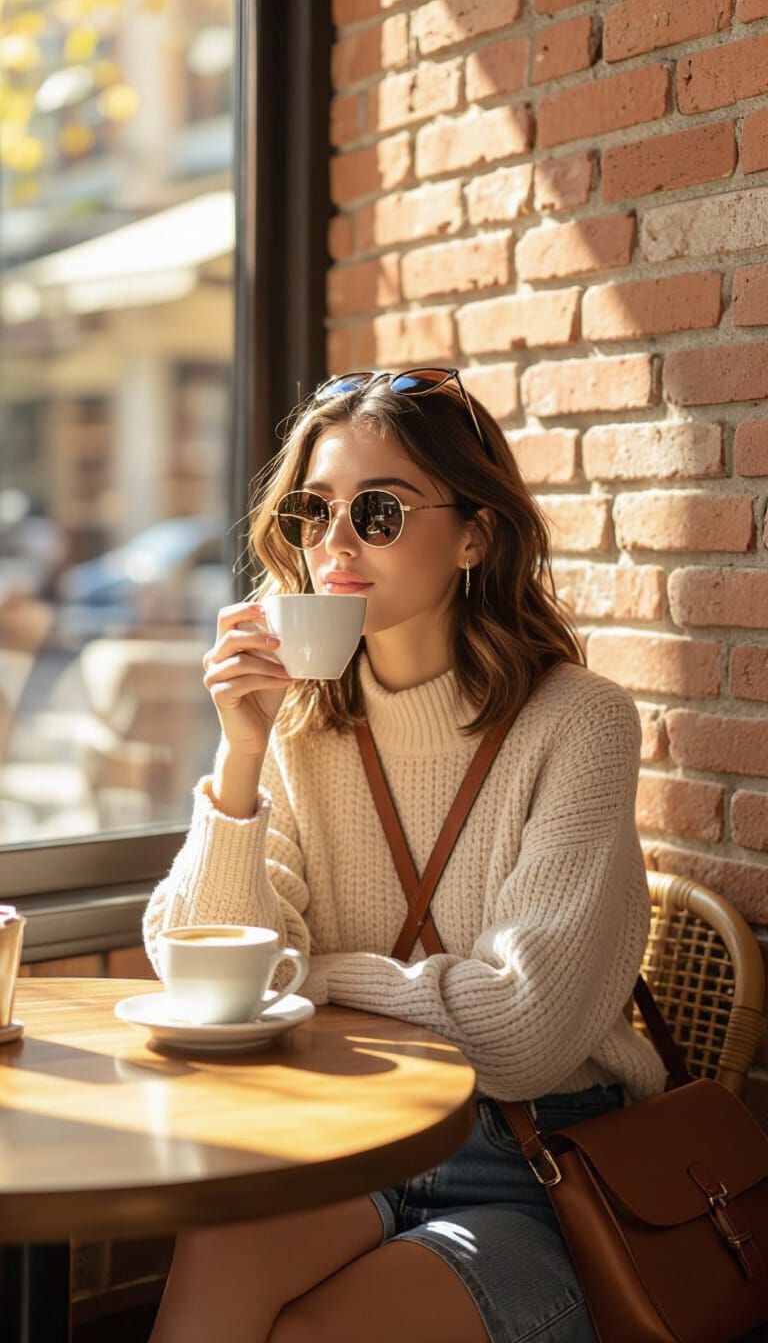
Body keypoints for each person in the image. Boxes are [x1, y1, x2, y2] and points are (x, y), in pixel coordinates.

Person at [144, 367, 667, 1343]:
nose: (334, 543)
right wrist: (242, 753)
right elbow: (201, 973)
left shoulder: (579, 724)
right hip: (360, 1138)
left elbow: (523, 1035)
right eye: (314, 510)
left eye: (376, 511)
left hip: (543, 1161)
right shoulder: (299, 732)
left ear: (475, 534)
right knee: (214, 1253)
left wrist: (315, 978)